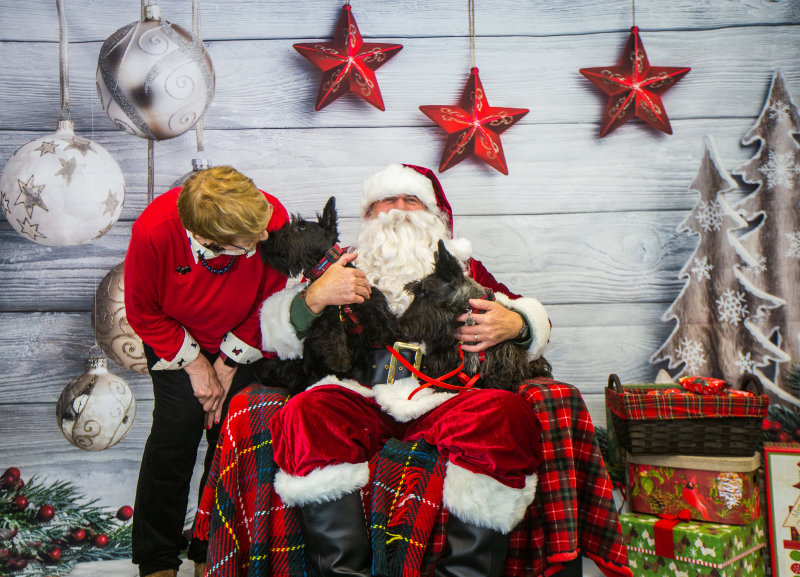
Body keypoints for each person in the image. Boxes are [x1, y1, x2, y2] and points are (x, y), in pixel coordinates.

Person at [258, 163, 552, 577]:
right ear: (368, 217)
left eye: (410, 200)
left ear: (435, 215)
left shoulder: (466, 267)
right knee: (307, 414)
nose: (398, 210)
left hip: (444, 396)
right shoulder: (340, 266)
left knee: (504, 417)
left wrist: (518, 323)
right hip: (362, 395)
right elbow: (278, 340)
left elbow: (525, 314)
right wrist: (313, 299)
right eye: (386, 201)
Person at [124, 166, 289, 577]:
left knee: (229, 439)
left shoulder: (270, 219)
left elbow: (273, 294)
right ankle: (157, 558)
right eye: (247, 245)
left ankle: (212, 552)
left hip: (246, 336)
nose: (265, 240)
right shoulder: (153, 231)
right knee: (175, 434)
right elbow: (143, 311)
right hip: (174, 338)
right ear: (206, 240)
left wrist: (230, 360)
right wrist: (197, 365)